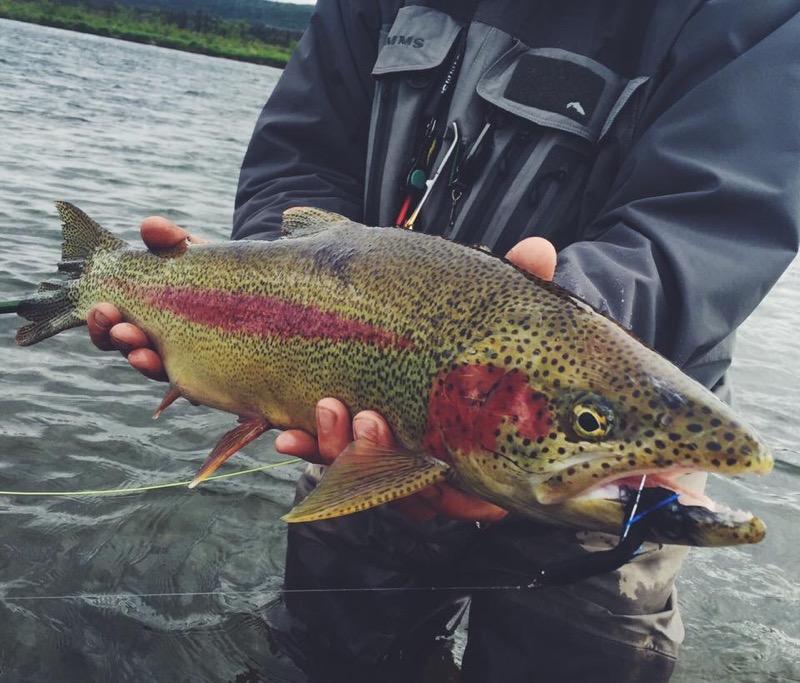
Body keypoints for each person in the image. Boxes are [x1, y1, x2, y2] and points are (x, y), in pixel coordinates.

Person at [86, 1, 800, 681]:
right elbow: (301, 153)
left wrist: (554, 328)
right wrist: (263, 303)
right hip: (372, 418)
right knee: (328, 658)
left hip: (612, 437)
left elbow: (711, 219)